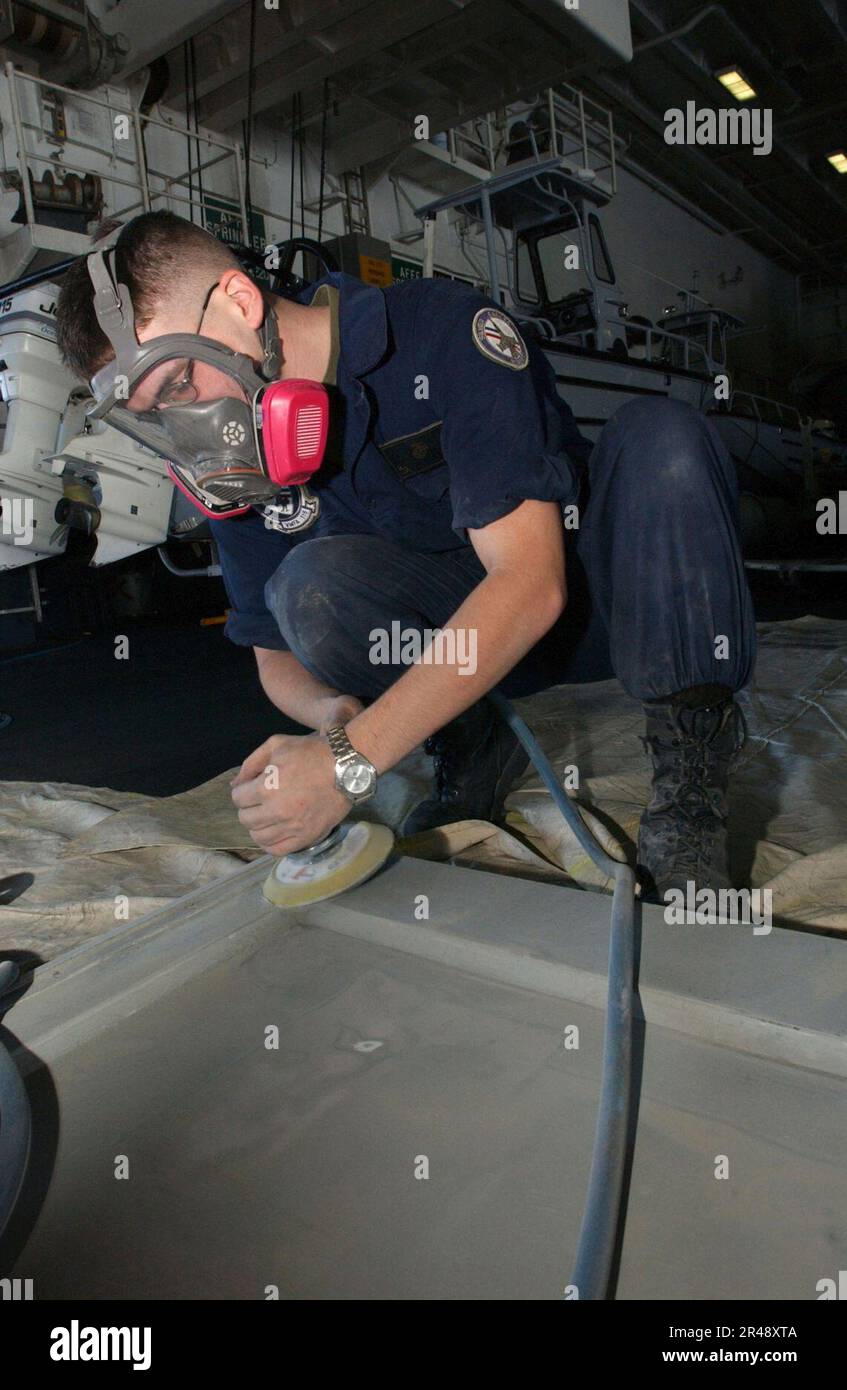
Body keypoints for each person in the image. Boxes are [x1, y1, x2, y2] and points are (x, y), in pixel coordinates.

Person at [56, 211, 756, 901]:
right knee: (310, 586)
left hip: (599, 611)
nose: (186, 428)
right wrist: (333, 716)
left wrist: (347, 765)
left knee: (661, 438)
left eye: (179, 386)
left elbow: (529, 581)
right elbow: (272, 651)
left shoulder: (439, 330)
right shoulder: (248, 461)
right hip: (462, 655)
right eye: (152, 415)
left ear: (240, 301)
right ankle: (472, 741)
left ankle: (689, 767)